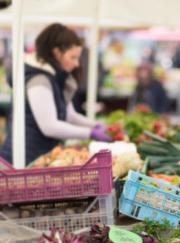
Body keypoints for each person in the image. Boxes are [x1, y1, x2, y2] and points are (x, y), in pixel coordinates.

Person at [1, 23, 111, 165]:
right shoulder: (39, 80)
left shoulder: (53, 77)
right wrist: (89, 133)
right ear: (57, 52)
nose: (77, 64)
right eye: (73, 57)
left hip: (40, 156)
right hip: (24, 159)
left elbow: (69, 115)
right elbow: (49, 126)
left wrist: (95, 125)